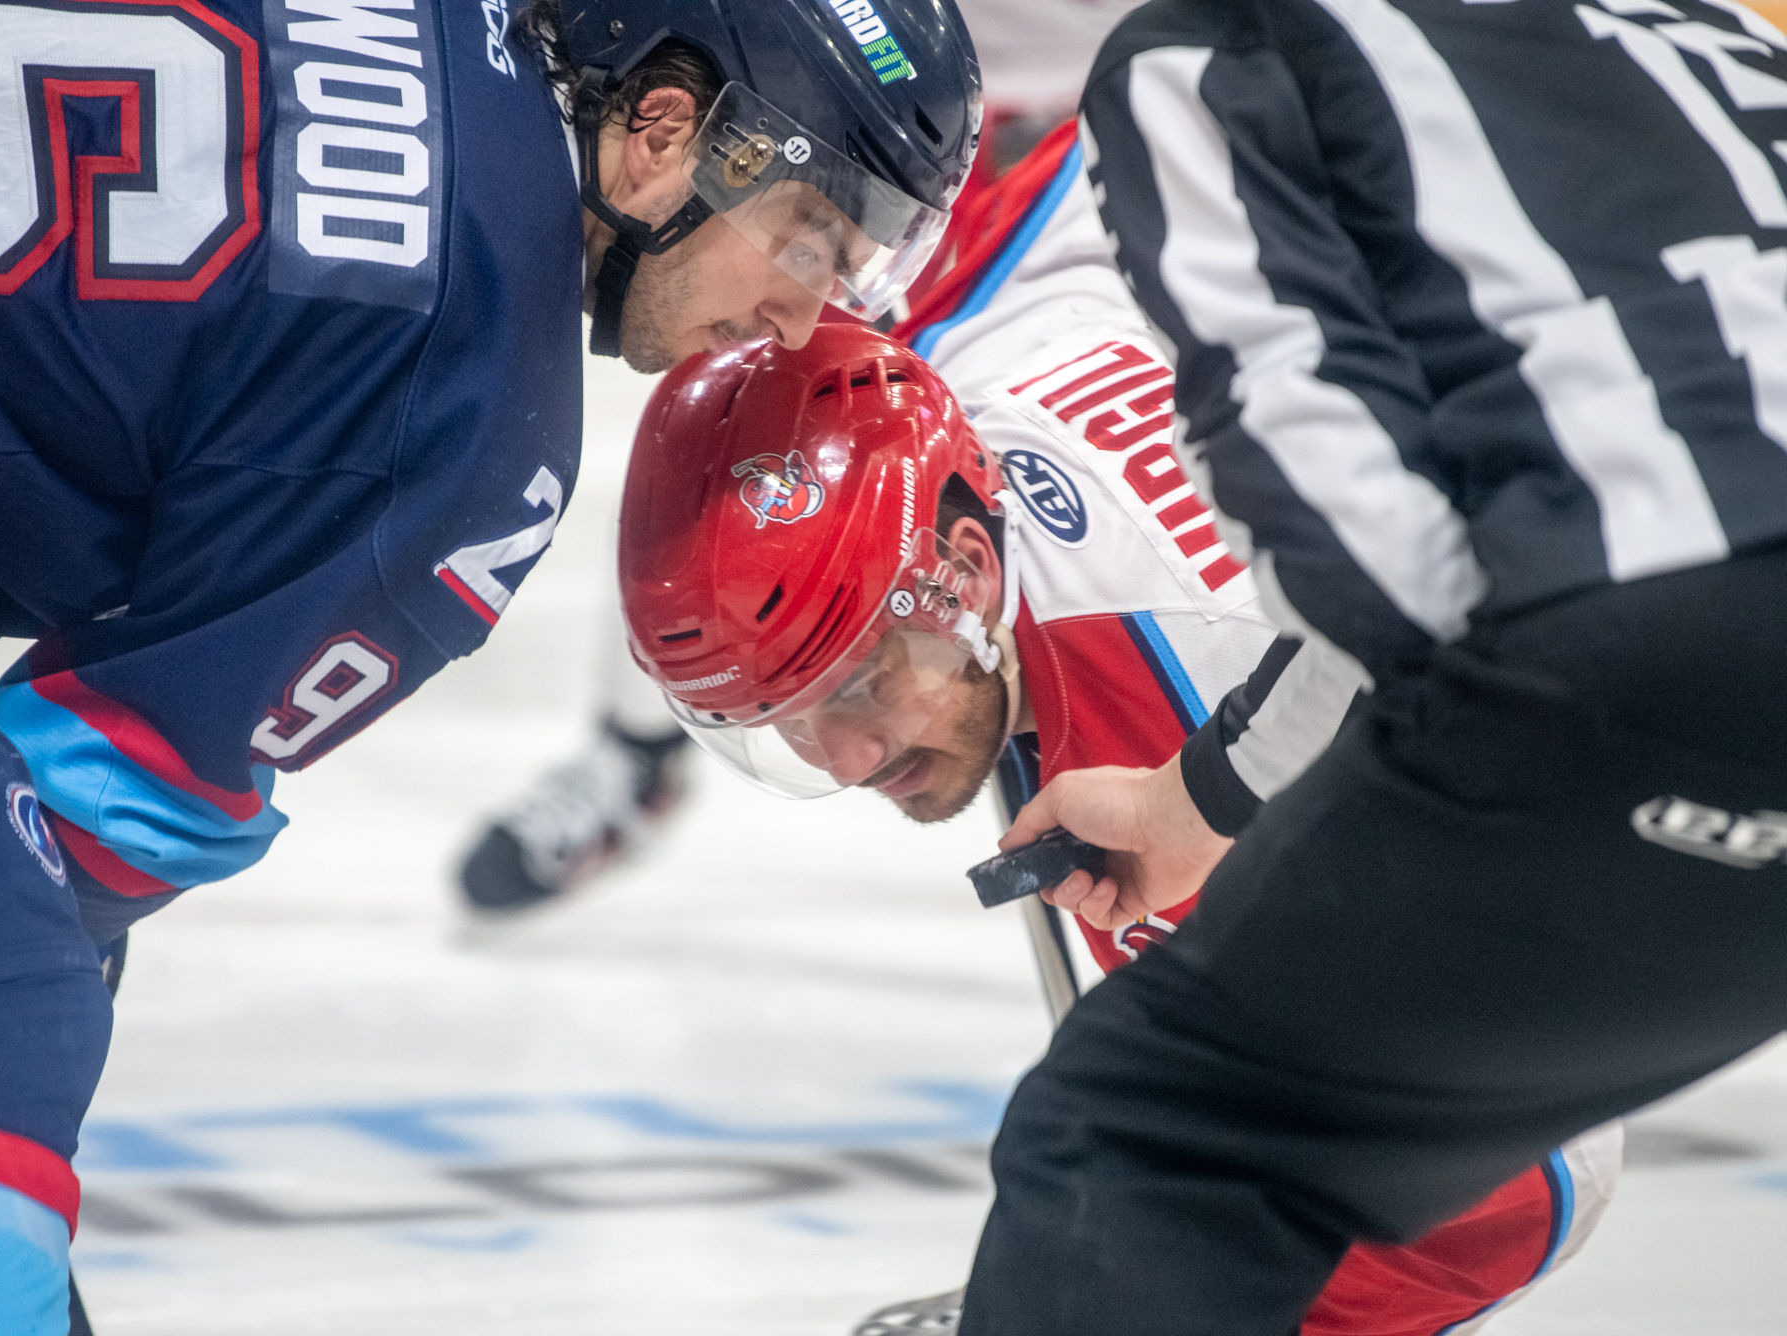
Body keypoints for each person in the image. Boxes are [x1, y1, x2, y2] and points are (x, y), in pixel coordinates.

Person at [0, 0, 981, 1328]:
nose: (808, 314)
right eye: (808, 239)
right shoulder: (470, 407)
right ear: (659, 133)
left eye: (855, 268)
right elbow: (95, 810)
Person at [952, 0, 1787, 1330]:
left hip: (1663, 644)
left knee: (1150, 1140)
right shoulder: (1711, 29)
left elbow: (1368, 570)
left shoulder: (1214, 50)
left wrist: (1374, 797)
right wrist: (1196, 803)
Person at [613, 310, 1620, 1331]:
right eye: (782, 718)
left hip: (1484, 1141)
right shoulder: (978, 405)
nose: (849, 759)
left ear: (964, 564)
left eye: (860, 684)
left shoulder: (1179, 678)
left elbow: (1540, 1117)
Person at [450, 0, 1147, 924]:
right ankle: (638, 749)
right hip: (838, 146)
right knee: (741, 423)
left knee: (935, 491)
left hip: (1038, 159)